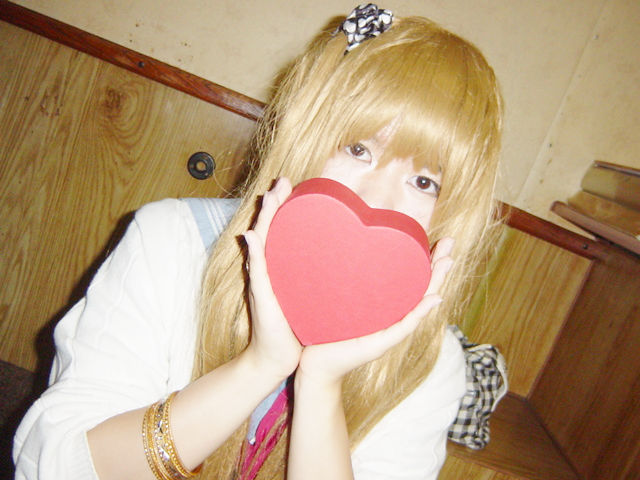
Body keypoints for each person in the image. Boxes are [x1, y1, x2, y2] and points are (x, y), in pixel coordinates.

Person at [13, 4, 503, 480]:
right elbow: (53, 467)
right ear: (308, 136)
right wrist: (260, 365)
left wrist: (322, 384)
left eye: (424, 182)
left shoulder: (430, 361)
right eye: (358, 149)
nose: (376, 199)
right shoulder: (170, 242)